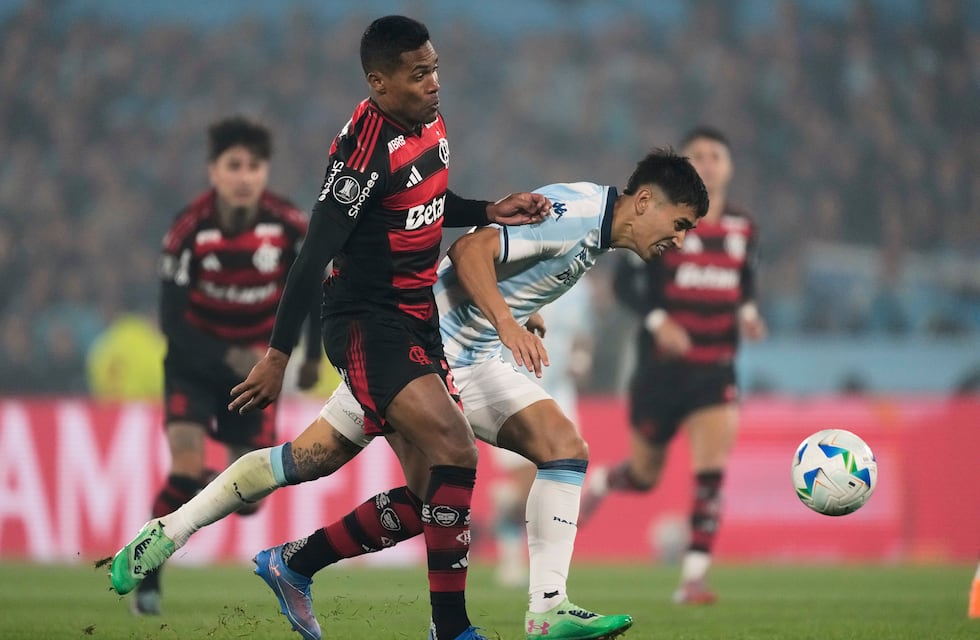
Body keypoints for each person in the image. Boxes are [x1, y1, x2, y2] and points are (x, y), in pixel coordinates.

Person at [108, 147, 707, 640]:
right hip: (422, 348)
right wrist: (505, 320)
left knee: (557, 451)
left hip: (469, 356)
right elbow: (471, 249)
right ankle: (179, 533)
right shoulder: (575, 213)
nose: (678, 240)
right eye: (679, 224)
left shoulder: (595, 224)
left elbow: (509, 259)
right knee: (350, 469)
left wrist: (524, 311)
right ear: (647, 201)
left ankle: (545, 607)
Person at [110, 15, 549, 640]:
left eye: (435, 69)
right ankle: (451, 630)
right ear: (379, 83)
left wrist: (486, 209)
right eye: (419, 74)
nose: (434, 83)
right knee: (456, 452)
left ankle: (255, 553)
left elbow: (424, 200)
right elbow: (312, 256)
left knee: (404, 490)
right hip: (369, 325)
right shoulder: (361, 153)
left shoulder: (427, 122)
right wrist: (278, 353)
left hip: (416, 321)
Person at [129, 115, 323, 615]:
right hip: (194, 364)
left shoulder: (288, 226)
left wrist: (313, 355)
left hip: (253, 374)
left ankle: (208, 488)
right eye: (233, 165)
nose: (244, 176)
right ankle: (147, 573)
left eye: (253, 166)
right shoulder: (188, 229)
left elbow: (315, 291)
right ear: (213, 171)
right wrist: (227, 355)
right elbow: (171, 320)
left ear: (265, 173)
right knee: (185, 467)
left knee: (252, 497)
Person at [578, 126, 767, 605]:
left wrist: (747, 313)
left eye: (715, 155)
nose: (707, 161)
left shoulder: (744, 228)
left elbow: (744, 283)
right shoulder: (664, 223)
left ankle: (693, 580)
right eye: (697, 154)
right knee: (644, 477)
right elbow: (624, 285)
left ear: (729, 166)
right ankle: (605, 480)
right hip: (660, 374)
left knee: (711, 474)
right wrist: (659, 319)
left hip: (715, 369)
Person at [490, 279, 595, 589]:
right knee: (526, 485)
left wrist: (581, 360)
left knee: (564, 474)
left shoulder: (579, 282)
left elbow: (583, 335)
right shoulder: (508, 276)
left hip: (559, 387)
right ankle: (513, 553)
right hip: (513, 386)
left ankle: (549, 571)